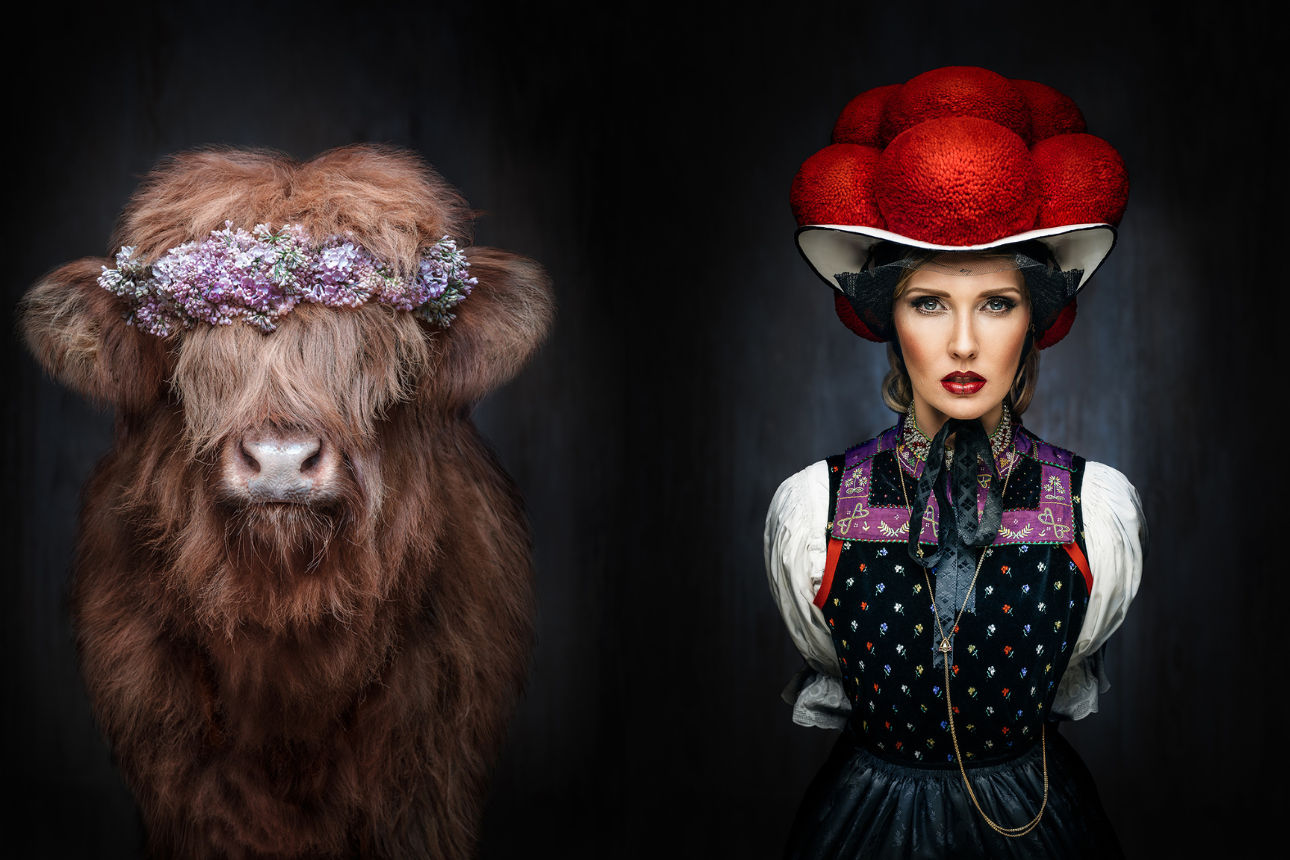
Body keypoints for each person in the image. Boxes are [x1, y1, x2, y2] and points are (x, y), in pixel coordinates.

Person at [765, 66, 1145, 858]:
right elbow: (827, 654)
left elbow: (1071, 663)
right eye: (929, 302)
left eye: (996, 304)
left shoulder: (1092, 507)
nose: (964, 343)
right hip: (863, 826)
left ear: (1033, 322)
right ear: (890, 317)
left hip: (1038, 822)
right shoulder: (815, 507)